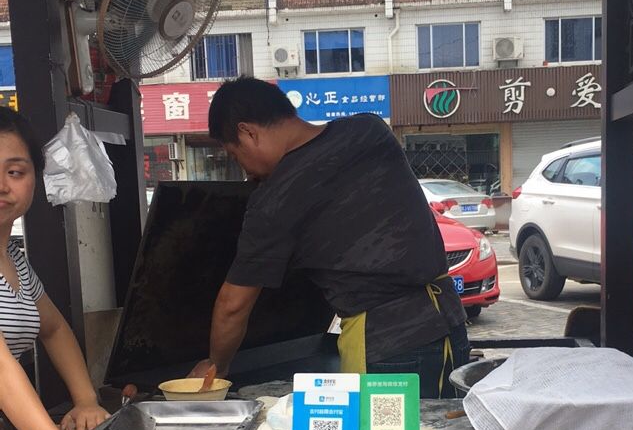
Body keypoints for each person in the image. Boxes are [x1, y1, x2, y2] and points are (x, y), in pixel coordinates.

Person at [193, 78, 470, 397]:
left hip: (387, 348)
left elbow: (233, 305)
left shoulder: (276, 199)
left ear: (248, 132)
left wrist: (217, 366)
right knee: (440, 426)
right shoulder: (370, 130)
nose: (246, 172)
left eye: (235, 155)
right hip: (450, 326)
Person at [0, 107, 107, 430]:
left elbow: (55, 327)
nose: (3, 185)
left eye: (15, 171)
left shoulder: (15, 259)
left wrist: (86, 400)